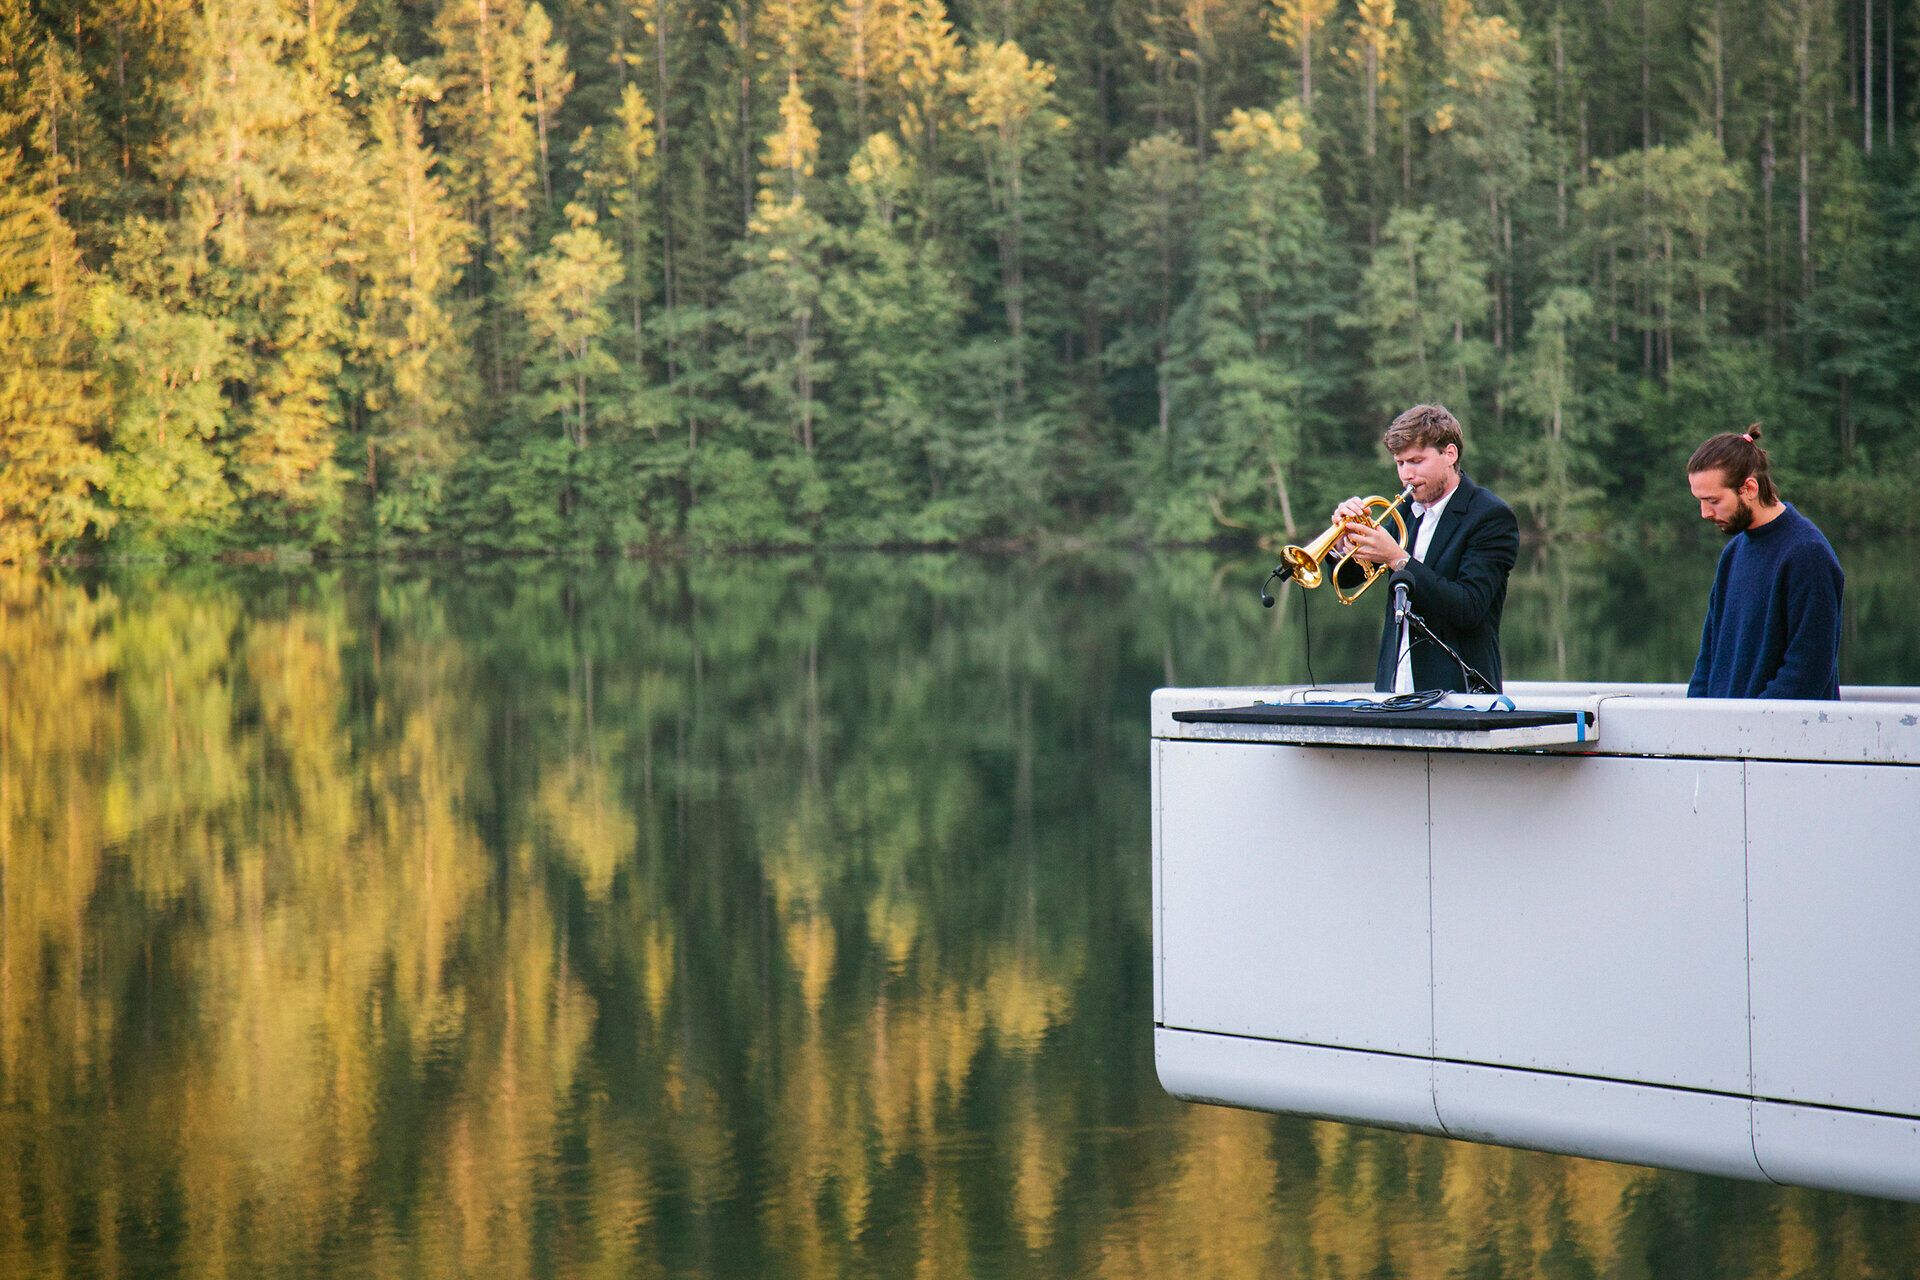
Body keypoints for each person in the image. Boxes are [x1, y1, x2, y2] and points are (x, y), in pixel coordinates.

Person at [1333, 403, 1519, 694]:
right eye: (1400, 464)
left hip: (1460, 693)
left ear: (1449, 454)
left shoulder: (1489, 516)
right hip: (1395, 690)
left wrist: (1398, 559)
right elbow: (1349, 579)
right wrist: (1342, 541)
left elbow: (1469, 606)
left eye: (1416, 461)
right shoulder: (1404, 512)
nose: (1407, 474)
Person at [1685, 425, 1843, 700]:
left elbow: (1808, 670)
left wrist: (1751, 726)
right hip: (1727, 736)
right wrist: (1697, 719)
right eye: (1700, 501)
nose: (1704, 513)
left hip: (1787, 738)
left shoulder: (1807, 554)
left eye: (1713, 500)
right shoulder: (1734, 553)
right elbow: (1709, 656)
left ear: (1749, 488)